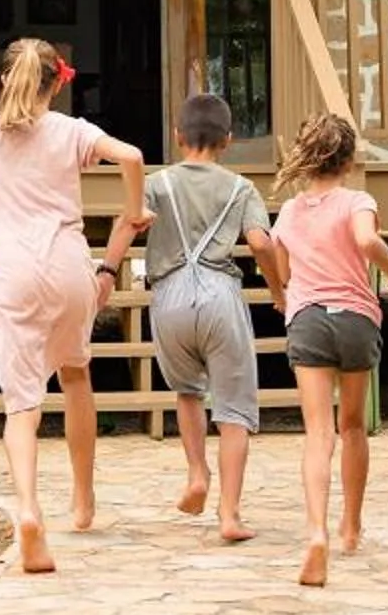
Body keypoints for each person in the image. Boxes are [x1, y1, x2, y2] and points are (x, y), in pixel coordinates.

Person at [0, 37, 148, 573]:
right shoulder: (71, 131)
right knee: (76, 376)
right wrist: (133, 212)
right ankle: (83, 500)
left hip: (10, 274)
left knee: (22, 407)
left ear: (3, 81)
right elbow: (130, 155)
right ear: (59, 82)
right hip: (67, 268)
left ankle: (29, 511)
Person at [100, 91, 283, 542]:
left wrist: (106, 273)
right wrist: (279, 288)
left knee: (186, 391)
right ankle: (230, 514)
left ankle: (196, 474)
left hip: (169, 297)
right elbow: (261, 243)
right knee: (234, 408)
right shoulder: (241, 188)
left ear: (178, 136)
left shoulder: (157, 185)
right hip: (221, 293)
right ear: (229, 140)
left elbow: (127, 223)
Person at [272, 111, 388, 588]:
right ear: (350, 159)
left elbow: (283, 273)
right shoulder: (358, 200)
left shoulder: (289, 213)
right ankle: (351, 527)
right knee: (352, 426)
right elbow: (365, 240)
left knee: (318, 434)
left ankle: (316, 532)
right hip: (355, 320)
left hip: (308, 320)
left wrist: (289, 299)